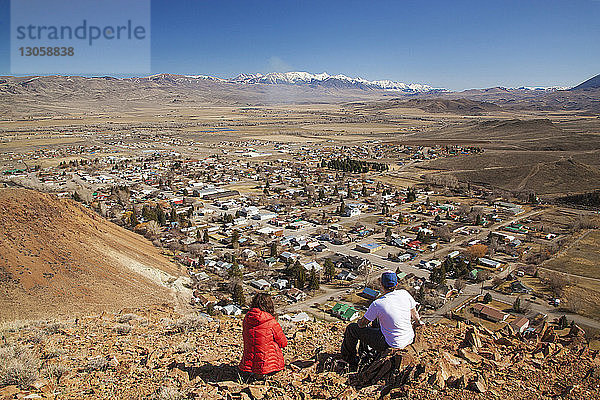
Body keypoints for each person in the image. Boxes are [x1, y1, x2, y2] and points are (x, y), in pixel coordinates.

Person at [341, 271, 423, 369]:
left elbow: (362, 325)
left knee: (352, 328)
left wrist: (359, 322)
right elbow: (414, 313)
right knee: (377, 321)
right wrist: (418, 322)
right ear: (396, 284)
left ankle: (349, 360)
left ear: (381, 285)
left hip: (391, 343)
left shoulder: (378, 304)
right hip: (408, 339)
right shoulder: (404, 294)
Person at [239, 293, 288, 377]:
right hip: (267, 366)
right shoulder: (270, 321)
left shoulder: (247, 318)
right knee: (273, 344)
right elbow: (283, 343)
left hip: (249, 364)